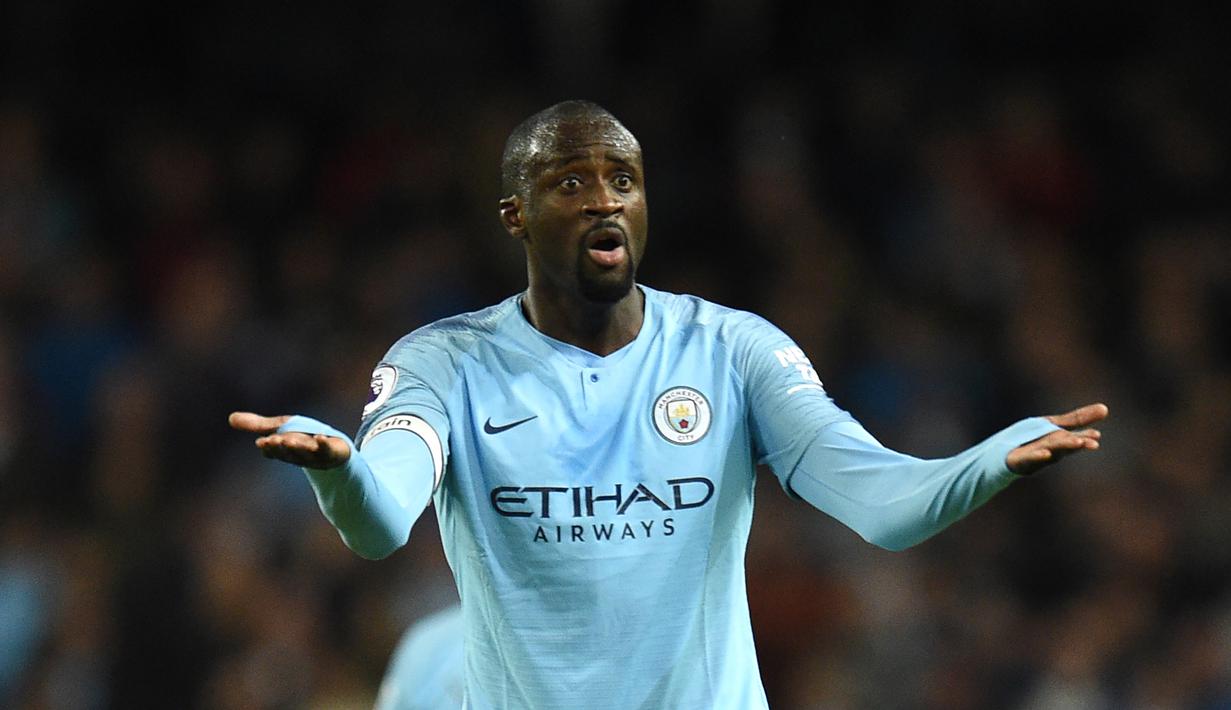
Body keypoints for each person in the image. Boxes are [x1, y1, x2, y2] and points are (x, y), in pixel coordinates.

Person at [229, 100, 1107, 709]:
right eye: (570, 182)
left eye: (622, 178)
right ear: (514, 215)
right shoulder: (446, 363)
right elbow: (382, 518)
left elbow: (882, 504)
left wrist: (982, 464)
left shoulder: (733, 351)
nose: (604, 196)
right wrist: (339, 469)